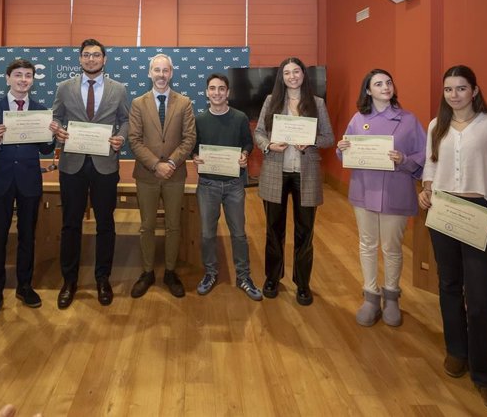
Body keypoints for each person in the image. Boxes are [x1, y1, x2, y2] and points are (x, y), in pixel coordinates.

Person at [418, 65, 487, 412]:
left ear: (474, 90)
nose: (454, 95)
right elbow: (431, 165)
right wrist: (426, 190)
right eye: (448, 89)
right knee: (447, 285)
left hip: (479, 212)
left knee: (479, 298)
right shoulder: (436, 126)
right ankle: (456, 351)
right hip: (443, 210)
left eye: (461, 88)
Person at [336, 69, 426, 327]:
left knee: (391, 247)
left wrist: (404, 160)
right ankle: (371, 296)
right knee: (367, 243)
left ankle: (392, 296)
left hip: (395, 191)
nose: (385, 87)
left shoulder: (408, 120)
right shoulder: (357, 119)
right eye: (378, 84)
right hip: (364, 190)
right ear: (368, 90)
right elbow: (348, 154)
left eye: (388, 82)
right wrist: (343, 150)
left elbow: (425, 154)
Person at [49, 38, 129, 308]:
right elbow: (56, 116)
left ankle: (102, 278)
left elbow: (126, 120)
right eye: (86, 55)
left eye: (96, 55)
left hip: (105, 165)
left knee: (105, 223)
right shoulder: (64, 87)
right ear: (80, 59)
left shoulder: (119, 89)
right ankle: (69, 280)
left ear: (104, 59)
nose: (91, 59)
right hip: (72, 165)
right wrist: (57, 129)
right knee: (70, 224)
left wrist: (120, 137)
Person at [254, 57, 334, 305]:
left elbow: (328, 137)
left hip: (306, 174)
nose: (292, 76)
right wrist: (268, 145)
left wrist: (311, 141)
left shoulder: (317, 103)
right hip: (276, 172)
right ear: (281, 77)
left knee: (305, 232)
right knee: (273, 231)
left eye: (296, 71)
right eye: (287, 72)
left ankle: (302, 283)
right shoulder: (272, 101)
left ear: (303, 75)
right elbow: (258, 133)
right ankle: (272, 277)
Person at [0, 59, 56, 324]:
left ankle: (25, 287)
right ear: (7, 78)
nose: (23, 79)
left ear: (33, 80)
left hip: (28, 182)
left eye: (28, 75)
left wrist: (51, 135)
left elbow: (46, 150)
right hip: (1, 181)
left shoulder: (40, 110)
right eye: (18, 75)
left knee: (27, 236)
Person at [128, 53, 197, 298]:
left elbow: (189, 138)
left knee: (173, 226)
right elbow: (134, 140)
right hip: (146, 175)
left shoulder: (184, 103)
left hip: (175, 174)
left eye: (165, 70)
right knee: (146, 227)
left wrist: (171, 162)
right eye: (156, 70)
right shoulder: (138, 103)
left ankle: (169, 271)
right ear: (149, 73)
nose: (160, 75)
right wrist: (156, 164)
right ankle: (147, 272)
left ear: (171, 73)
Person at [191, 73, 262, 301]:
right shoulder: (199, 119)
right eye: (212, 89)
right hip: (208, 184)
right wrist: (195, 156)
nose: (217, 93)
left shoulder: (240, 117)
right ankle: (210, 273)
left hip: (233, 184)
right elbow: (193, 147)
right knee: (207, 234)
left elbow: (248, 143)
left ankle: (243, 276)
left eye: (221, 89)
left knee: (239, 234)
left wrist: (244, 154)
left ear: (228, 92)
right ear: (206, 92)